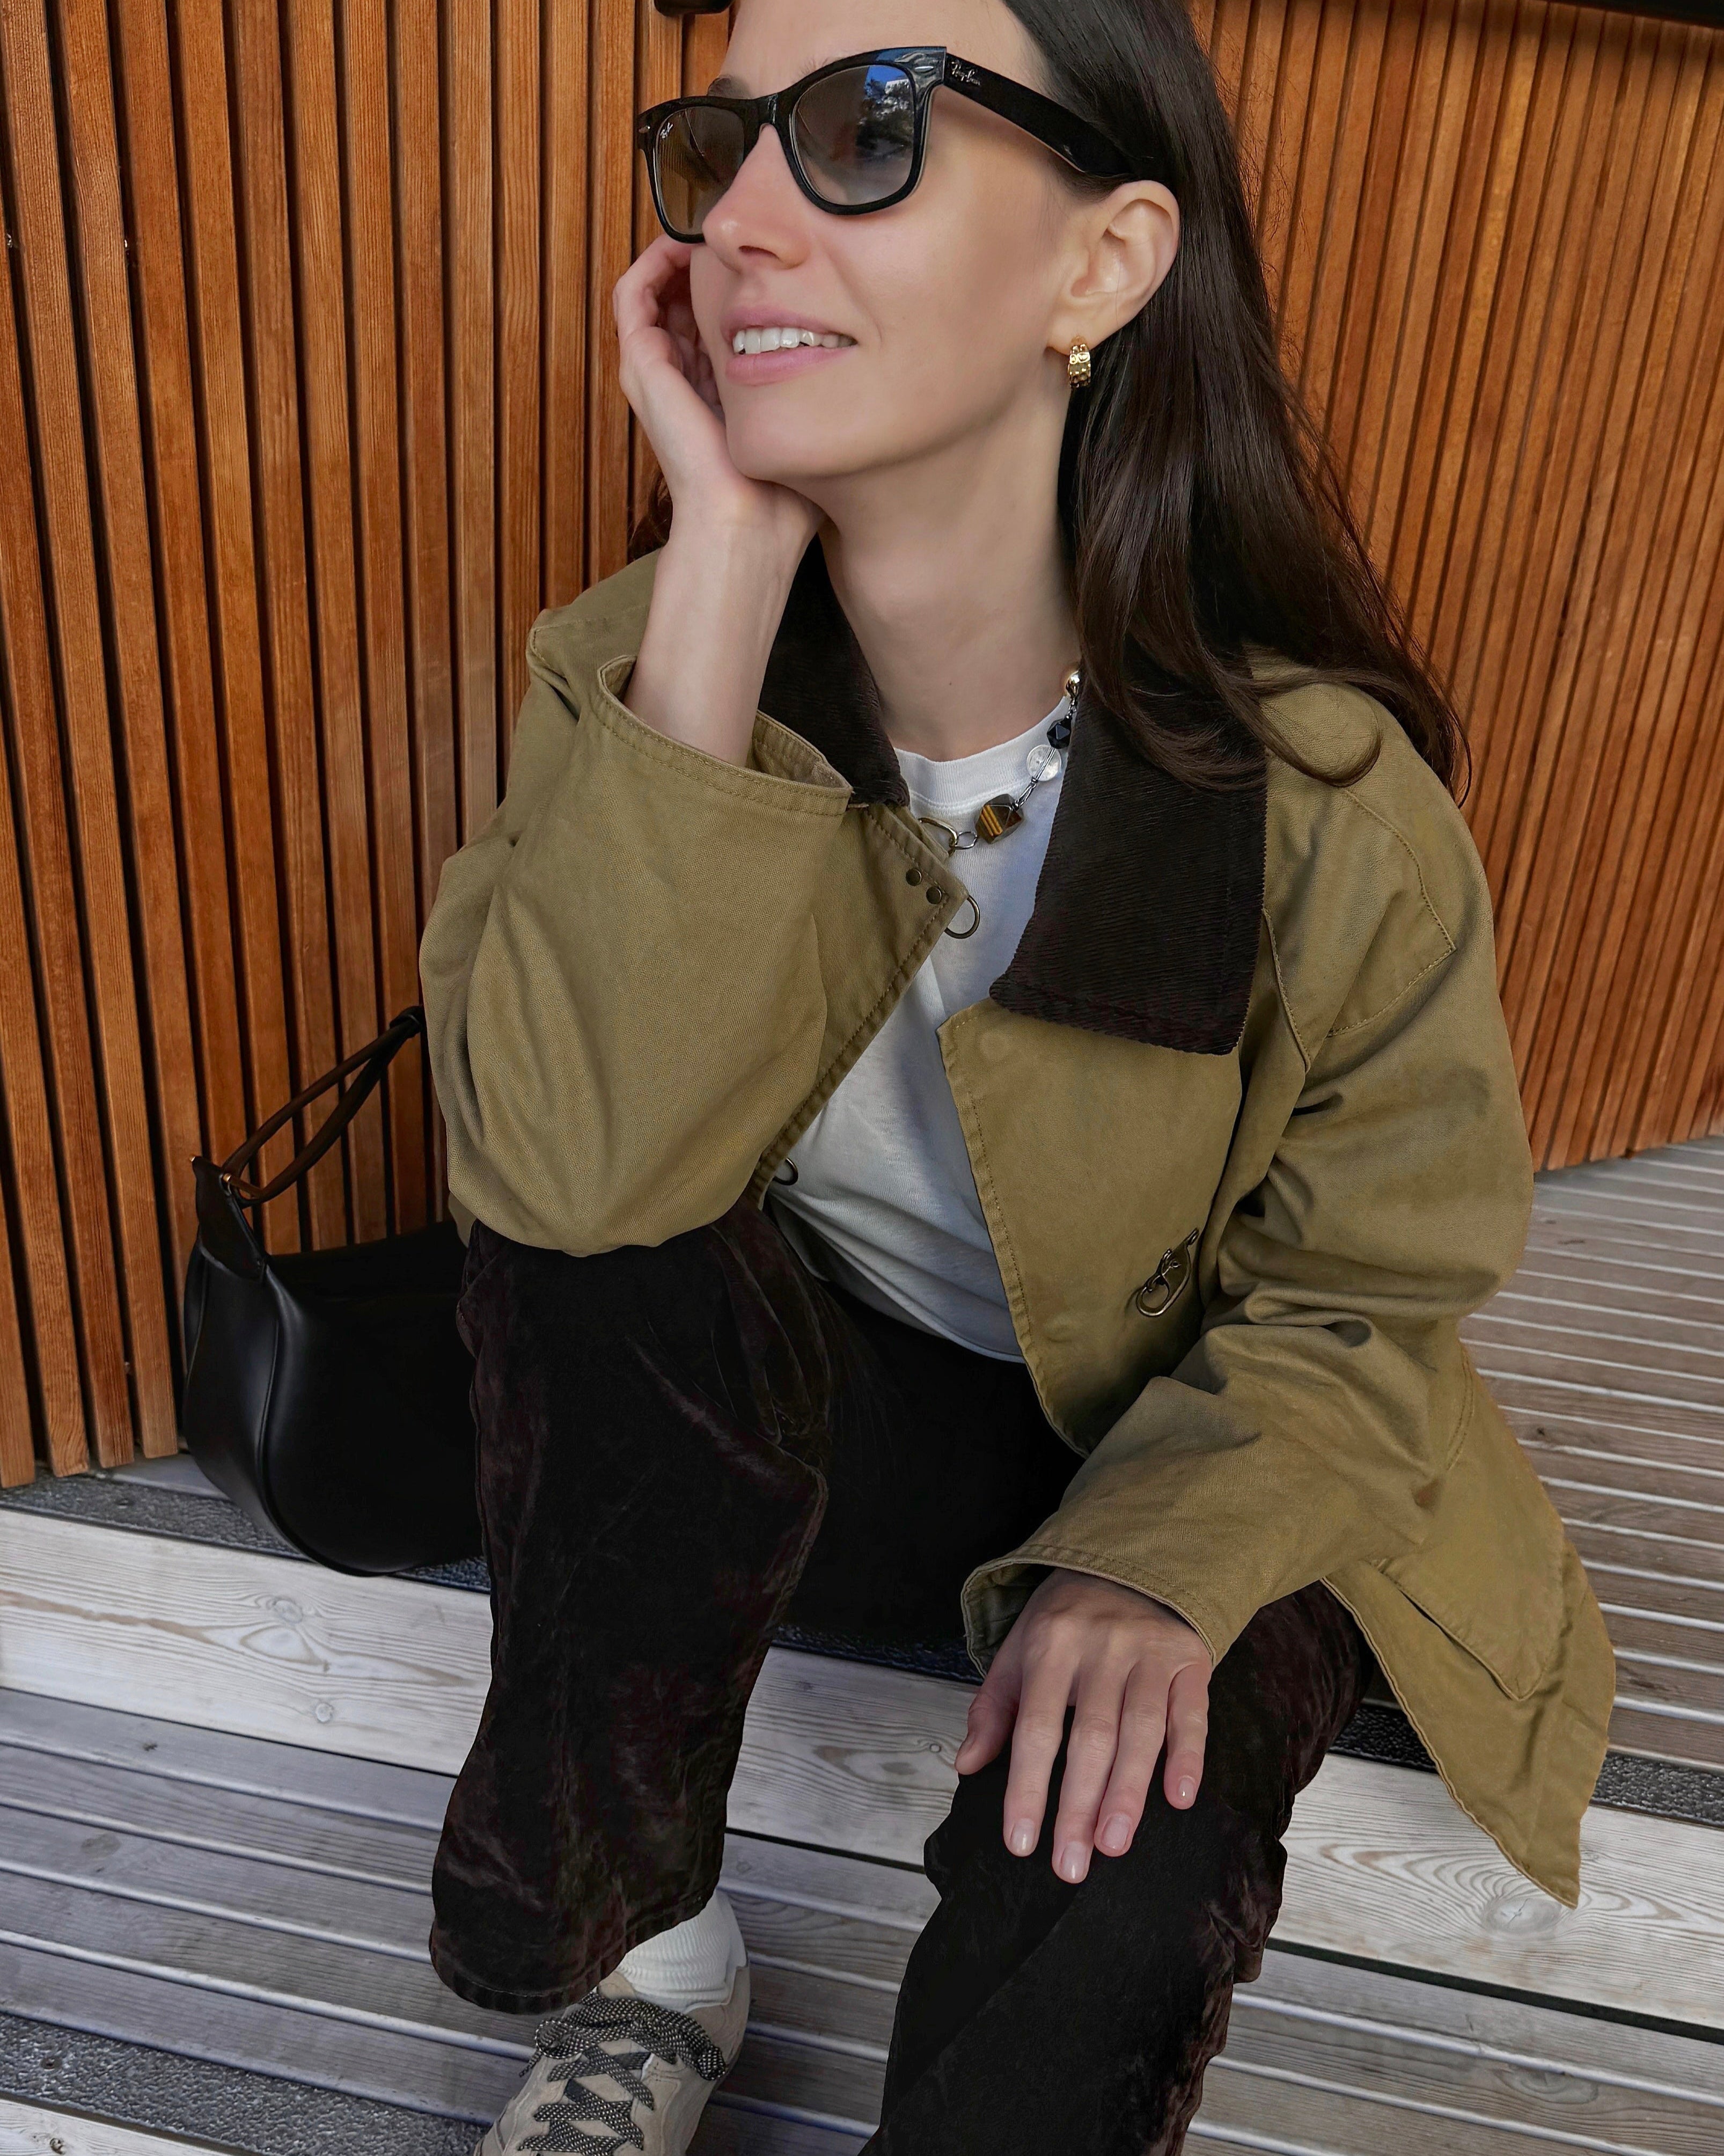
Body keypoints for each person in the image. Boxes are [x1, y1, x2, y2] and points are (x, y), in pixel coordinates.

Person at [417, 0, 1616, 2148]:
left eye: (865, 129)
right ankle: (646, 1959)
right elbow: (567, 1184)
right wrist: (719, 558)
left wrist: (1161, 1552)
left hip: (1190, 1428)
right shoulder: (633, 672)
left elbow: (1366, 1293)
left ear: (1104, 262)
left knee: (1133, 1820)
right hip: (818, 1439)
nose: (748, 220)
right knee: (587, 1269)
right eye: (722, 148)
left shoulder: (1316, 791)